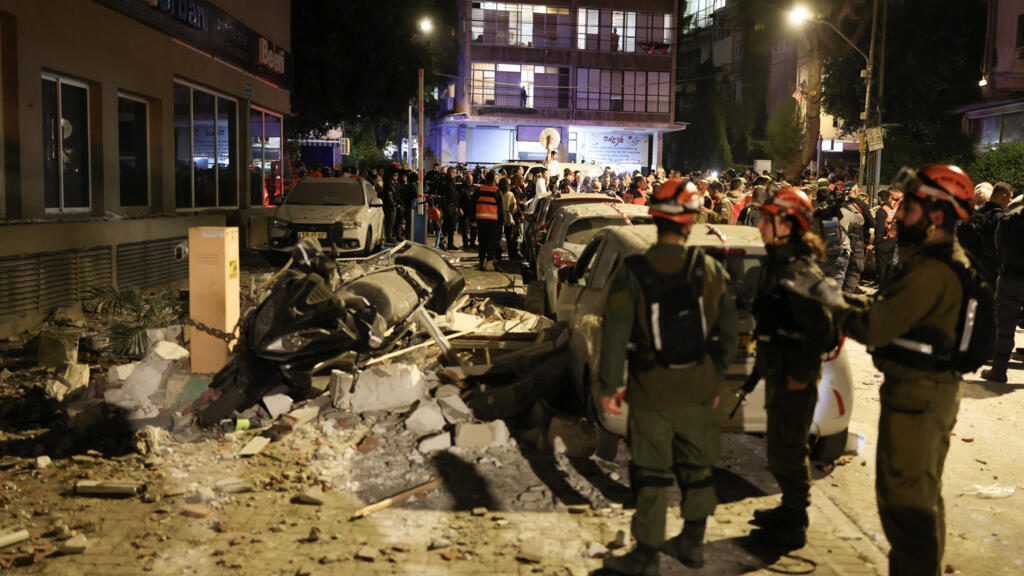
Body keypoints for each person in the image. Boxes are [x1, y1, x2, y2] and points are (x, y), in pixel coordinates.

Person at [798, 164, 977, 575]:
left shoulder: (934, 270)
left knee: (908, 506)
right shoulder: (931, 262)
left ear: (935, 214)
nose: (897, 216)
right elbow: (884, 310)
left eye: (908, 208)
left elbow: (875, 326)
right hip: (920, 394)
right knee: (919, 496)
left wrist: (823, 296)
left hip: (920, 397)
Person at [599, 179, 737, 574]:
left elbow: (615, 331)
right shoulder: (710, 269)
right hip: (696, 388)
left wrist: (610, 386)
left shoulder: (633, 271)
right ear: (690, 220)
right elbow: (727, 333)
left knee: (650, 471)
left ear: (655, 217)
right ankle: (692, 543)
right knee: (698, 469)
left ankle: (646, 555)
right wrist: (715, 380)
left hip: (650, 389)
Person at [746, 187, 834, 550]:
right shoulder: (778, 262)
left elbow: (825, 330)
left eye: (767, 219)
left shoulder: (799, 270)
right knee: (779, 449)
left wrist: (799, 375)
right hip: (779, 372)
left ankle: (794, 522)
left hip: (793, 380)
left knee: (790, 450)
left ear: (786, 224)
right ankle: (788, 508)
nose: (760, 224)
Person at [983, 182, 1023, 383]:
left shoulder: (1007, 224)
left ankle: (998, 371)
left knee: (1005, 326)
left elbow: (998, 248)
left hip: (1011, 278)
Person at [957, 181, 1012, 288]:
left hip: (971, 269)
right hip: (992, 273)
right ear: (1004, 196)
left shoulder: (974, 215)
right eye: (1010, 197)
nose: (1011, 200)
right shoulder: (1000, 218)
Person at [842, 187, 875, 294]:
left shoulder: (838, 203)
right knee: (855, 267)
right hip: (856, 239)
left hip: (839, 238)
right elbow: (871, 223)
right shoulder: (861, 205)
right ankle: (848, 292)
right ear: (856, 191)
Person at [475, 172, 503, 271]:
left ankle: (481, 261)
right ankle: (489, 263)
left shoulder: (479, 190)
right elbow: (500, 209)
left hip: (480, 220)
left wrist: (472, 219)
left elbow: (473, 203)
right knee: (491, 242)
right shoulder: (497, 191)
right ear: (493, 180)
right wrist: (501, 222)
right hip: (492, 221)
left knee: (482, 241)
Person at [873, 189, 900, 289]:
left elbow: (879, 228)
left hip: (883, 242)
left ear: (879, 198)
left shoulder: (881, 211)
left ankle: (882, 290)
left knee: (882, 269)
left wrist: (876, 243)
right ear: (889, 198)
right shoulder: (892, 209)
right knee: (889, 268)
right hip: (892, 241)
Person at [500, 177, 522, 260]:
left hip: (499, 218)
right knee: (509, 238)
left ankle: (497, 254)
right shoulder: (510, 194)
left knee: (498, 237)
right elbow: (514, 208)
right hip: (508, 219)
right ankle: (511, 254)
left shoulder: (498, 193)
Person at [441, 167, 461, 251]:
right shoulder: (446, 181)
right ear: (450, 172)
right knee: (447, 226)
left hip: (452, 206)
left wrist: (457, 207)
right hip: (448, 206)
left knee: (451, 226)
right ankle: (443, 242)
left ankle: (450, 244)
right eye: (455, 173)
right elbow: (446, 195)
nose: (455, 175)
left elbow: (454, 196)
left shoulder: (451, 181)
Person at [458, 172, 477, 249]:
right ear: (465, 180)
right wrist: (459, 208)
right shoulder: (461, 188)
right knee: (465, 229)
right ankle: (465, 243)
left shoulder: (475, 189)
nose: (470, 181)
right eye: (469, 180)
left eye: (471, 180)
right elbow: (457, 200)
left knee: (474, 229)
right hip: (464, 212)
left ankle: (472, 243)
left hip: (472, 212)